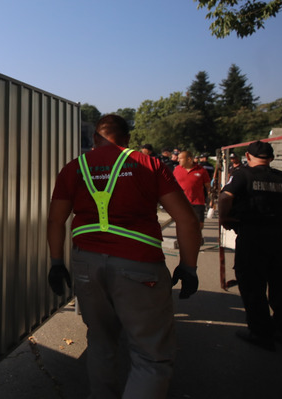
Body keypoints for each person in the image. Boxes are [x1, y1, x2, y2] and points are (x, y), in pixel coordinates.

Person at [47, 115, 201, 399]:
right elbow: (187, 221)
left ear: (94, 138)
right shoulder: (150, 164)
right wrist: (188, 267)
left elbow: (56, 220)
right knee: (150, 354)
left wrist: (57, 264)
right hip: (139, 265)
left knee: (100, 342)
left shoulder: (74, 168)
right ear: (128, 140)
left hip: (87, 264)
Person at [218, 141, 282, 352]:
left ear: (247, 156)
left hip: (252, 235)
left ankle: (261, 333)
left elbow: (225, 197)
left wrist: (225, 218)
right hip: (281, 237)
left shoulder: (243, 175)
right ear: (271, 158)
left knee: (253, 286)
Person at [173, 150, 211, 236]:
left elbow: (208, 186)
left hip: (197, 202)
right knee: (183, 224)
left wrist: (210, 199)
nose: (178, 160)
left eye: (180, 158)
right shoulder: (177, 170)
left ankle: (196, 237)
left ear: (189, 159)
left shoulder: (202, 170)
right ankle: (186, 240)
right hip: (182, 203)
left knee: (199, 224)